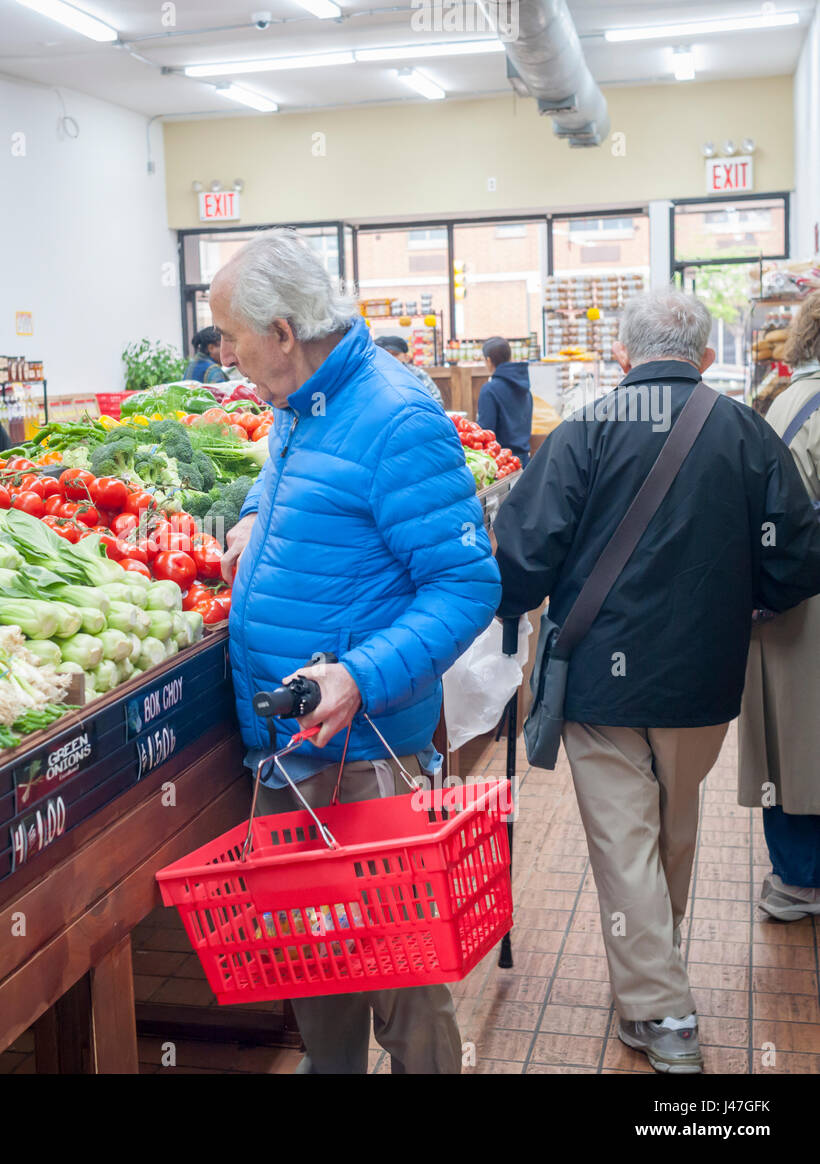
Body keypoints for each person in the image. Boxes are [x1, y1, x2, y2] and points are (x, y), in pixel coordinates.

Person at [493, 288, 820, 1074]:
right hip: (704, 679)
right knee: (672, 829)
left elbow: (521, 555)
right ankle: (652, 979)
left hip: (598, 682)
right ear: (706, 356)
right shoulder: (744, 429)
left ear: (622, 357)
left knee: (624, 839)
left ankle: (665, 1012)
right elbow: (798, 555)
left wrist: (509, 608)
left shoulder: (582, 432)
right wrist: (751, 602)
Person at [212, 229, 501, 1075]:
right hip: (292, 746)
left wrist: (357, 675)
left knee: (401, 966)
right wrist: (259, 518)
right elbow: (299, 489)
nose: (223, 354)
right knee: (312, 947)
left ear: (282, 332)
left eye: (230, 335)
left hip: (369, 750)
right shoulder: (302, 408)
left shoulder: (396, 416)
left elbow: (465, 584)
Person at [738, 290, 820, 921]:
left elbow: (770, 513)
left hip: (798, 606)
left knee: (792, 742)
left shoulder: (789, 404)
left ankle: (797, 879)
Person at [477, 337, 532, 462]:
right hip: (524, 462)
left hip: (502, 463)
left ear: (489, 360)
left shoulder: (490, 390)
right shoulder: (525, 386)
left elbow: (486, 432)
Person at [374, 334, 445, 407]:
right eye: (384, 354)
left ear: (405, 357)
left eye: (395, 354)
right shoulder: (372, 377)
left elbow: (437, 402)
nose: (390, 357)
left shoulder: (417, 375)